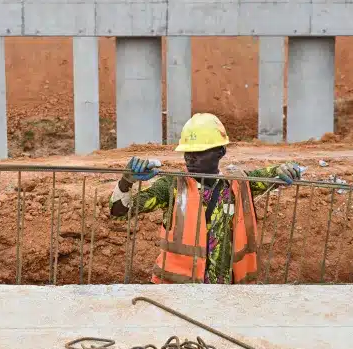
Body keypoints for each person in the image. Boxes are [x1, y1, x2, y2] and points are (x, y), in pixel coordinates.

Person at [108, 113, 302, 284]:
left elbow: (270, 174)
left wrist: (284, 169)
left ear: (221, 152)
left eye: (199, 152)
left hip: (225, 293)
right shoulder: (172, 186)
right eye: (188, 152)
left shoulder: (238, 183)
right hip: (177, 292)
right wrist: (126, 181)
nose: (190, 158)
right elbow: (119, 211)